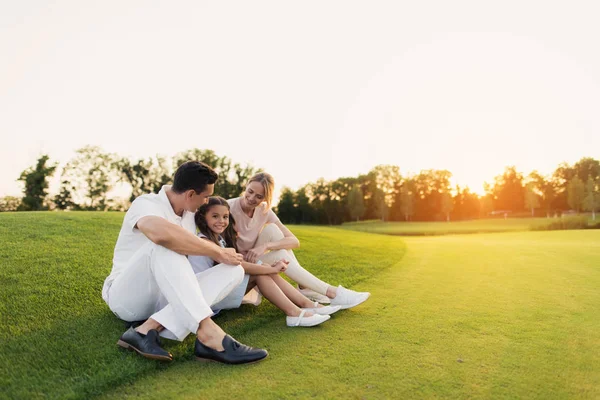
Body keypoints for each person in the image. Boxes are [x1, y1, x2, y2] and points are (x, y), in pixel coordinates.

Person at [102, 161, 268, 365]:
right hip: (127, 298)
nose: (206, 201)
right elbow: (160, 234)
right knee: (165, 243)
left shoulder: (189, 215)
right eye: (205, 196)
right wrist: (218, 252)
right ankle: (208, 335)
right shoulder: (146, 203)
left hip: (166, 298)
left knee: (234, 270)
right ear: (190, 194)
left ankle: (147, 329)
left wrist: (226, 253)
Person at [189, 197, 341, 327]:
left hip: (218, 289)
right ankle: (295, 312)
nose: (221, 221)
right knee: (261, 274)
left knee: (263, 269)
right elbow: (241, 266)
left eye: (225, 217)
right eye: (215, 216)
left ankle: (307, 305)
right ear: (203, 218)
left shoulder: (219, 238)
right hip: (208, 298)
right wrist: (272, 270)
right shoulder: (204, 241)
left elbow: (237, 263)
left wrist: (268, 268)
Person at [228, 172, 371, 308]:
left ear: (265, 198)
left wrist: (266, 245)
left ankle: (305, 287)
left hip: (253, 257)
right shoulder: (228, 207)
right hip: (240, 265)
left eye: (259, 196)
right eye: (250, 191)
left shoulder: (264, 210)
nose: (252, 198)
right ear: (246, 186)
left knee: (273, 230)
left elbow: (294, 241)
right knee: (280, 254)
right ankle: (331, 293)